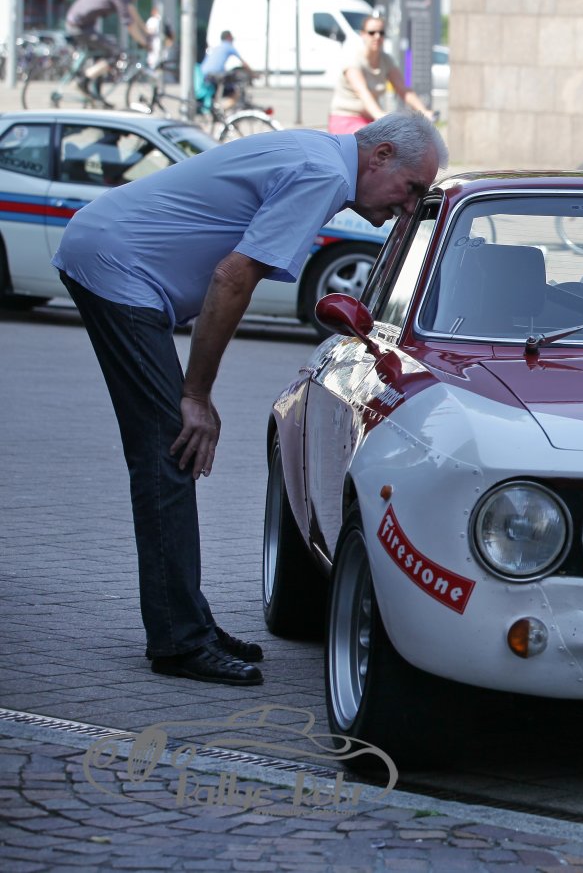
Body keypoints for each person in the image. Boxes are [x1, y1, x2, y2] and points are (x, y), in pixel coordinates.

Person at [52, 111, 446, 686]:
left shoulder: (321, 156)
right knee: (169, 450)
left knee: (169, 451)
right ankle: (179, 640)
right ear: (381, 155)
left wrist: (196, 390)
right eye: (410, 190)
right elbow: (232, 278)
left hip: (112, 256)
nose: (407, 208)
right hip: (117, 269)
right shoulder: (324, 175)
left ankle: (188, 621)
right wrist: (196, 395)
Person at [64, 0, 152, 102]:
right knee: (116, 53)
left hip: (82, 24)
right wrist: (144, 43)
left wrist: (145, 30)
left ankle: (96, 96)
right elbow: (129, 24)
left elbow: (131, 10)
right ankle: (83, 80)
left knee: (104, 54)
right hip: (79, 27)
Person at [328, 16, 434, 133]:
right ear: (363, 34)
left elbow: (404, 90)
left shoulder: (386, 60)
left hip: (370, 121)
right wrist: (379, 115)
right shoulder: (354, 60)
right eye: (372, 33)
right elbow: (363, 92)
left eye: (381, 33)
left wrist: (424, 112)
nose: (377, 36)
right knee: (376, 139)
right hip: (345, 118)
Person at [199, 30, 255, 109]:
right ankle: (221, 109)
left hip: (203, 75)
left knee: (219, 90)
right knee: (235, 92)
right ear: (229, 37)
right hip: (214, 74)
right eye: (232, 38)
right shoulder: (229, 46)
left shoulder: (216, 47)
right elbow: (244, 63)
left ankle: (217, 108)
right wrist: (253, 74)